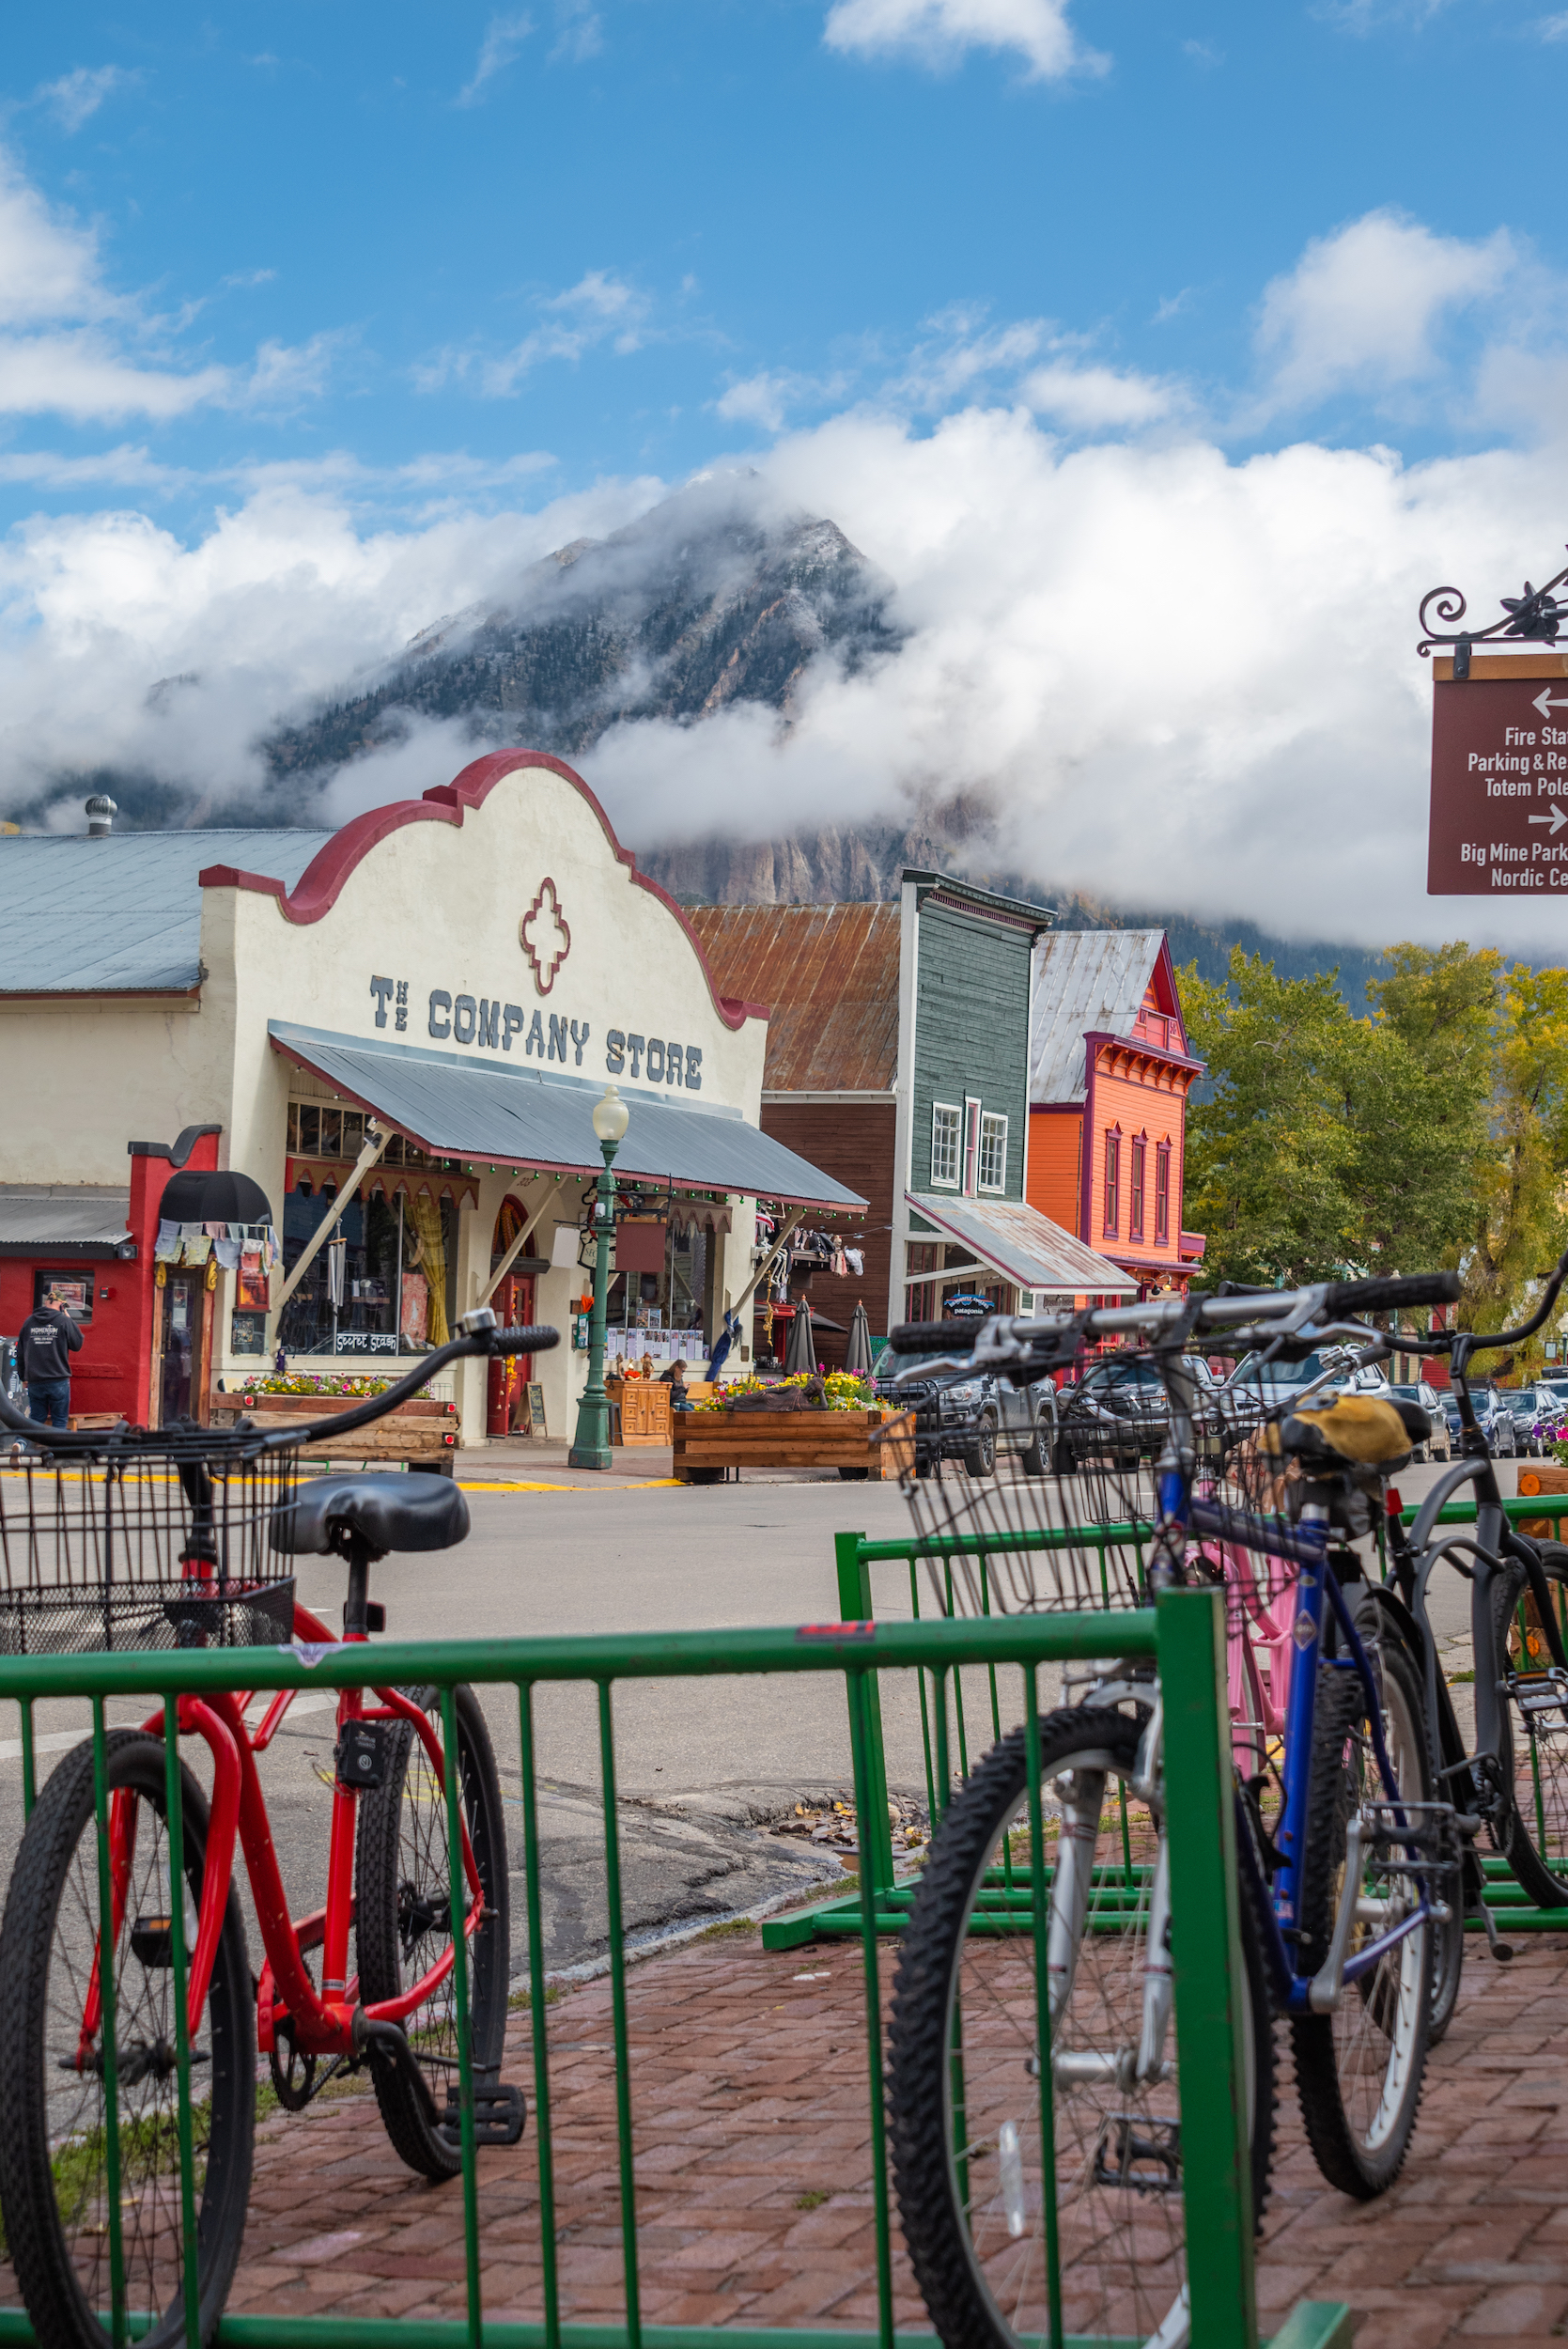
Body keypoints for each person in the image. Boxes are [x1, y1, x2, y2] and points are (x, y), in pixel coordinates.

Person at [17, 1292, 83, 1430]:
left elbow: (21, 1352)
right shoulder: (64, 1321)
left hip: (35, 1380)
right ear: (61, 1305)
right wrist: (69, 1319)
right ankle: (55, 1452)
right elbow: (77, 1344)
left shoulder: (29, 1321)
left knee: (35, 1418)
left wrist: (23, 1377)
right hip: (58, 1379)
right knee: (59, 1420)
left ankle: (21, 1443)